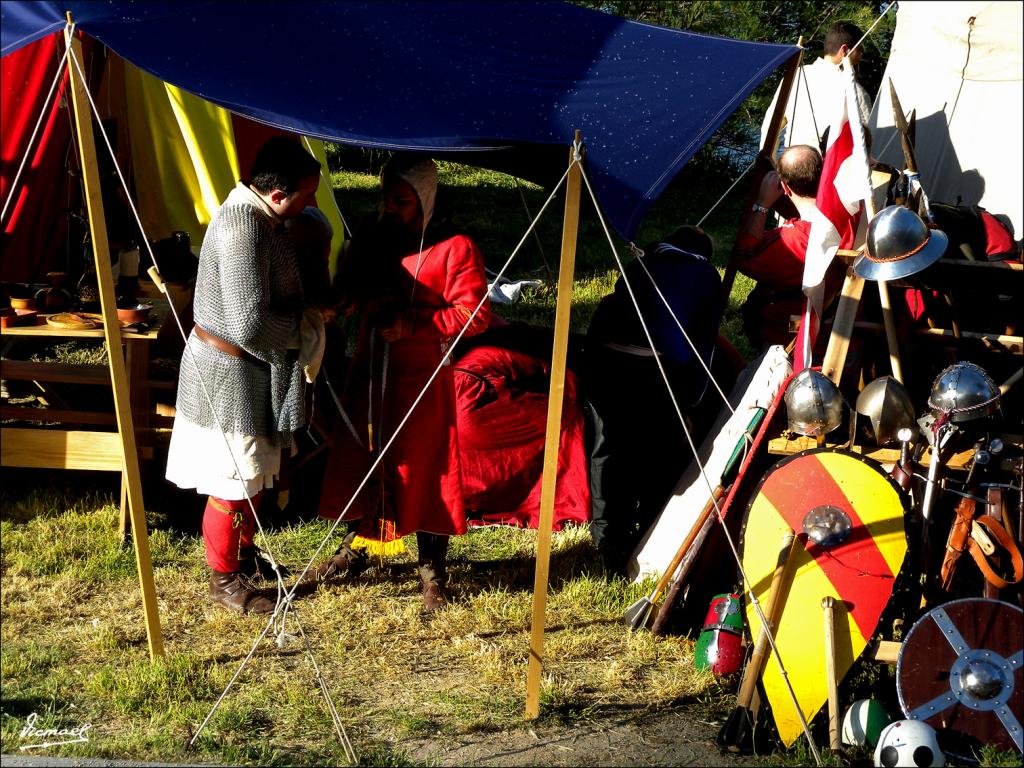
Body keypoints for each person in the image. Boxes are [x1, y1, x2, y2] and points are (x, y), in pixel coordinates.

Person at [314, 154, 490, 612]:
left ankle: (432, 571)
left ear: (425, 197)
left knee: (425, 470)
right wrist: (340, 302)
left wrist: (414, 323)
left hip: (422, 374)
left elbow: (474, 314)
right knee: (366, 458)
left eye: (401, 201)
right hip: (372, 365)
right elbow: (353, 285)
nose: (390, 208)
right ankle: (355, 548)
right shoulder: (372, 234)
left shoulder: (455, 247)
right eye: (386, 198)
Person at [165, 136, 322, 614]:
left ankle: (243, 557)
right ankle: (224, 580)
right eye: (306, 195)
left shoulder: (261, 218)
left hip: (246, 369)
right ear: (278, 194)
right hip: (226, 374)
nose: (310, 203)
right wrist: (305, 323)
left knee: (249, 477)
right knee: (231, 480)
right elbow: (248, 324)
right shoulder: (242, 227)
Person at [582, 225, 726, 570]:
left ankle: (607, 537)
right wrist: (689, 403)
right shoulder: (706, 276)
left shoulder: (641, 262)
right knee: (657, 454)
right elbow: (701, 347)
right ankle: (647, 533)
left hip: (601, 360)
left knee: (607, 449)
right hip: (652, 368)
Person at [735, 144, 844, 350]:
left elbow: (745, 257)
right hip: (836, 329)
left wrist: (762, 204)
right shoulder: (846, 220)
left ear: (784, 188)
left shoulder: (790, 240)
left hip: (790, 337)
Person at [760, 21, 872, 157]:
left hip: (791, 165)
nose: (861, 55)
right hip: (829, 168)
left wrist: (768, 163)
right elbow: (865, 142)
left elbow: (771, 127)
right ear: (844, 50)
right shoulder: (855, 91)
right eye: (859, 49)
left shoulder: (795, 76)